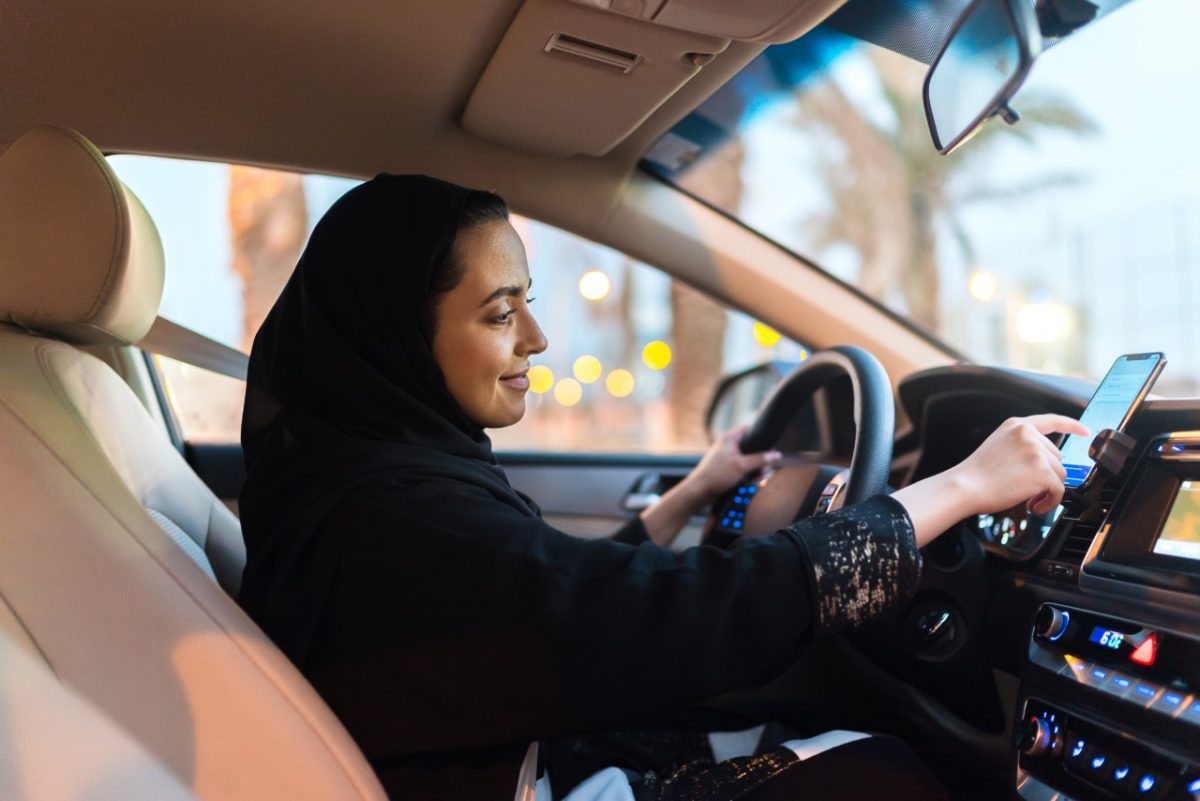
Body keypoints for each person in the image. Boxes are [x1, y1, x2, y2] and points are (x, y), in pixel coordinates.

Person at [237, 175, 1087, 801]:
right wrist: (961, 486)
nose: (536, 336)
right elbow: (647, 617)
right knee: (884, 778)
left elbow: (544, 599)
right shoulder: (388, 522)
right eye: (500, 314)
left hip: (518, 760)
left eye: (527, 303)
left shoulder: (374, 474)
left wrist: (692, 495)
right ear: (396, 334)